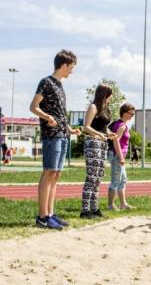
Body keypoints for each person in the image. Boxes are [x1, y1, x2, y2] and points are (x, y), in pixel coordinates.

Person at [29, 49, 81, 230]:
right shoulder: (46, 82)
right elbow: (33, 107)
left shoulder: (60, 85)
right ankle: (42, 217)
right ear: (64, 65)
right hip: (51, 136)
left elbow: (60, 114)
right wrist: (47, 117)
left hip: (62, 135)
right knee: (49, 173)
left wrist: (69, 129)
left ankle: (51, 214)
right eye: (72, 67)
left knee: (56, 175)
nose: (72, 71)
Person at [80, 84, 117, 219]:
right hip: (93, 143)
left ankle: (95, 208)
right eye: (110, 94)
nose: (112, 97)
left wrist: (110, 133)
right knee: (92, 177)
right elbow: (86, 127)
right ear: (105, 94)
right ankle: (85, 210)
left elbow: (103, 127)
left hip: (102, 144)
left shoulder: (106, 109)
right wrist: (98, 134)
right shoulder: (93, 107)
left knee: (99, 177)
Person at [107, 103, 135, 211]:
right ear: (124, 113)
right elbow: (116, 140)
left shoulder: (121, 124)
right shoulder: (121, 126)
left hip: (118, 155)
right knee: (116, 180)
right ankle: (110, 205)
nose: (132, 115)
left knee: (123, 179)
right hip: (116, 155)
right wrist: (121, 157)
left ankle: (123, 204)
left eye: (133, 114)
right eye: (131, 113)